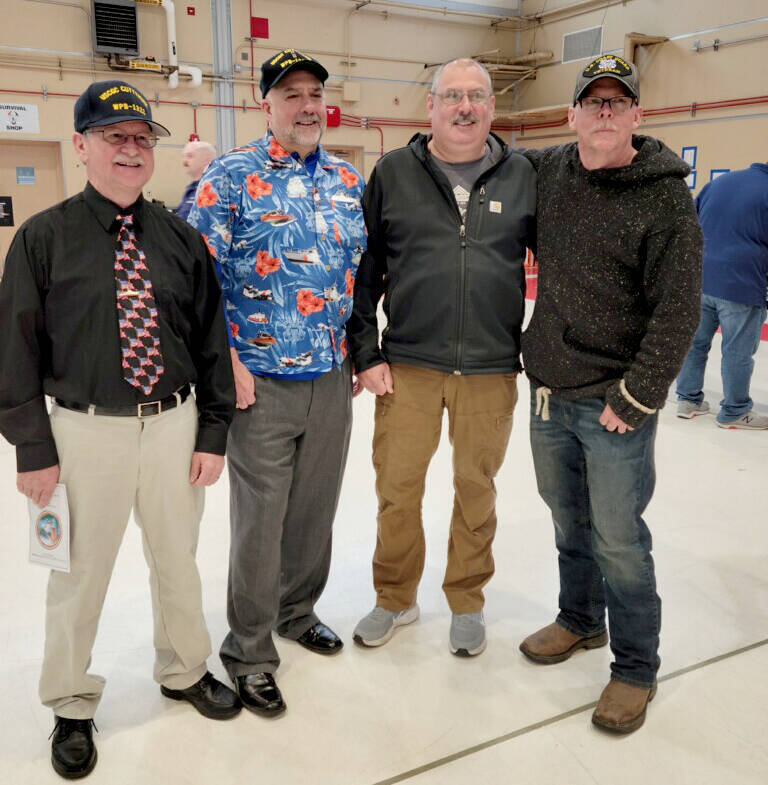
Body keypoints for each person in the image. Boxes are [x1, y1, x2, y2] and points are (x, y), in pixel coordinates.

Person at [0, 80, 240, 779]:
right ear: (81, 146)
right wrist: (32, 448)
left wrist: (211, 431)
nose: (131, 151)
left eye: (141, 139)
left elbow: (210, 344)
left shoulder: (181, 238)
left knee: (177, 560)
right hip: (84, 434)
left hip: (172, 425)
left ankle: (184, 669)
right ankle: (71, 702)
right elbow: (14, 350)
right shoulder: (42, 240)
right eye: (114, 137)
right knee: (77, 574)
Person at [518, 55, 702, 734]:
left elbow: (678, 309)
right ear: (570, 117)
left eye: (616, 101)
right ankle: (577, 619)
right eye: (591, 101)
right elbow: (482, 150)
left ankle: (634, 666)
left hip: (615, 404)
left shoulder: (664, 197)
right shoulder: (550, 173)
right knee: (568, 520)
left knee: (619, 539)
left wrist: (637, 397)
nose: (603, 111)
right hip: (548, 390)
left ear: (635, 116)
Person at [187, 48, 366, 717]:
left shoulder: (348, 179)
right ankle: (250, 652)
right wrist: (225, 360)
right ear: (265, 105)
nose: (307, 104)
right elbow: (194, 279)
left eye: (315, 91)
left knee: (314, 508)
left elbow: (359, 271)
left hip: (330, 375)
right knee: (260, 522)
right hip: (257, 381)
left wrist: (354, 348)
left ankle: (298, 611)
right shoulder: (230, 178)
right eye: (291, 93)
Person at [347, 58, 536, 657]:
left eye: (476, 96)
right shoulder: (394, 173)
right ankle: (395, 596)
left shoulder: (523, 174)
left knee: (475, 489)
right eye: (452, 96)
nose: (464, 107)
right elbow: (365, 271)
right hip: (408, 366)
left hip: (489, 369)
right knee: (397, 490)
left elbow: (562, 266)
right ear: (430, 107)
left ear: (491, 108)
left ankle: (467, 601)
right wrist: (365, 351)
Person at [675, 163, 768, 428]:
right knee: (737, 351)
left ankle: (688, 400)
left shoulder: (720, 183)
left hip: (700, 279)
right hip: (742, 283)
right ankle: (735, 411)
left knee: (695, 343)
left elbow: (689, 223)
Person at [176, 140, 217, 220]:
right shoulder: (192, 188)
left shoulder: (214, 190)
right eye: (184, 156)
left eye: (190, 156)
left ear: (206, 161)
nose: (185, 161)